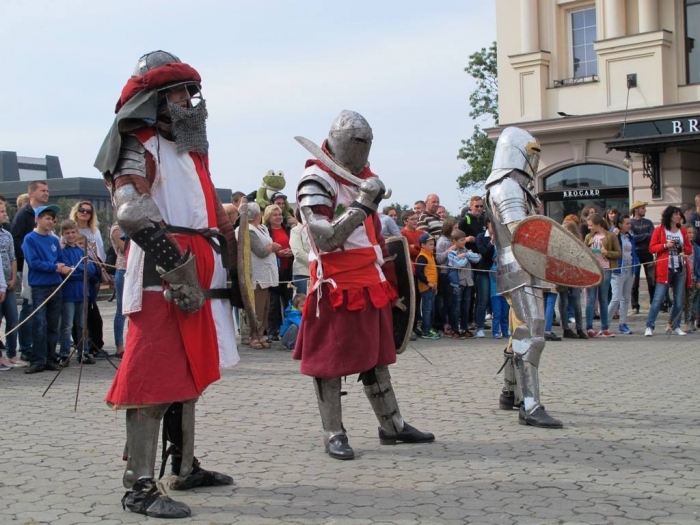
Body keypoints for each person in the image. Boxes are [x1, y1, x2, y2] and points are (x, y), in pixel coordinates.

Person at [93, 50, 237, 518]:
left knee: (188, 372)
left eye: (191, 93)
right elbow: (131, 212)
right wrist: (177, 272)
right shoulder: (140, 142)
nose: (188, 102)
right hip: (162, 273)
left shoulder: (190, 152)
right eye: (178, 92)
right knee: (153, 377)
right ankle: (138, 485)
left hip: (197, 269)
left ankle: (184, 465)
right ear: (155, 98)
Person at [294, 109, 434, 460]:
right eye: (357, 142)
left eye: (366, 143)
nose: (362, 150)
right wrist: (362, 203)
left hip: (371, 280)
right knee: (331, 362)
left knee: (375, 358)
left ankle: (393, 425)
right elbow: (325, 238)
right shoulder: (315, 180)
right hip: (335, 284)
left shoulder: (361, 178)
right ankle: (333, 432)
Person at [485, 127, 562, 428]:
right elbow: (522, 232)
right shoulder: (508, 188)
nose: (534, 160)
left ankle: (510, 391)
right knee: (533, 333)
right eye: (530, 153)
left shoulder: (513, 186)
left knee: (521, 332)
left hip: (521, 264)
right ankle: (530, 405)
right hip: (520, 264)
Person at [22, 205, 67, 374]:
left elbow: (60, 260)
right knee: (39, 323)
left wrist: (61, 267)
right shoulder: (30, 239)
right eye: (47, 218)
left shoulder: (54, 240)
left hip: (55, 285)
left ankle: (49, 358)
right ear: (38, 219)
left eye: (53, 220)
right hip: (39, 286)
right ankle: (37, 359)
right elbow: (33, 262)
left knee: (53, 324)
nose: (51, 222)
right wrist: (54, 267)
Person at [11, 180, 50, 363]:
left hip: (45, 271)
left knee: (40, 310)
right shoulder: (23, 214)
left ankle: (40, 346)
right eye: (42, 190)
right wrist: (26, 258)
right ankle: (25, 347)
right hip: (28, 268)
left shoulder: (45, 212)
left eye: (47, 190)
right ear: (31, 193)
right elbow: (16, 239)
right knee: (28, 307)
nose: (46, 193)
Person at [644, 206, 692, 337]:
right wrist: (665, 245)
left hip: (680, 268)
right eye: (676, 214)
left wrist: (683, 250)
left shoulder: (682, 231)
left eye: (679, 215)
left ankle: (675, 325)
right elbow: (652, 248)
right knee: (658, 298)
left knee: (679, 300)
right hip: (665, 268)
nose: (678, 217)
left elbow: (689, 248)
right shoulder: (660, 230)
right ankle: (649, 326)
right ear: (669, 216)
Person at [69, 201, 108, 357]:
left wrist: (103, 270)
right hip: (76, 274)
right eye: (82, 210)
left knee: (92, 311)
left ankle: (96, 345)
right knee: (77, 312)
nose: (85, 213)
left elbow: (100, 252)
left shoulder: (94, 231)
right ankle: (81, 345)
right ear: (76, 212)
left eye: (88, 211)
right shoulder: (70, 230)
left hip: (93, 273)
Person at [58, 223, 99, 365]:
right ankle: (64, 354)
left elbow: (91, 269)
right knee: (67, 326)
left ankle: (84, 352)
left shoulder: (82, 251)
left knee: (82, 325)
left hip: (83, 293)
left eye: (73, 232)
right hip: (68, 294)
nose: (70, 235)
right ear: (63, 234)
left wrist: (75, 269)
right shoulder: (61, 252)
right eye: (67, 233)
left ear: (76, 233)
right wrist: (80, 270)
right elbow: (66, 272)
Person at [245, 202, 280, 349]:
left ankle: (261, 334)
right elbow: (260, 251)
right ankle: (253, 335)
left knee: (265, 307)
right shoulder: (249, 230)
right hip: (257, 274)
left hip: (267, 274)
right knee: (257, 308)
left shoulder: (262, 228)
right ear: (257, 215)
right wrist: (272, 247)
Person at [583, 213, 620, 338]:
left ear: (598, 224)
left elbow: (618, 253)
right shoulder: (589, 237)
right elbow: (583, 252)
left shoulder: (611, 236)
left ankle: (605, 328)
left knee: (603, 299)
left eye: (591, 225)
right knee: (590, 300)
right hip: (592, 270)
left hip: (606, 269)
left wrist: (607, 252)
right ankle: (589, 328)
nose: (589, 228)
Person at [264, 204, 293, 341]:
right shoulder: (266, 231)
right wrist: (278, 253)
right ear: (269, 217)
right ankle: (272, 330)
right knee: (273, 302)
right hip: (274, 268)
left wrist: (290, 252)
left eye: (280, 214)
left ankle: (286, 329)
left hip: (288, 267)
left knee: (288, 300)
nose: (278, 217)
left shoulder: (287, 229)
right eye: (275, 215)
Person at [446, 229, 480, 338]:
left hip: (468, 282)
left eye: (464, 240)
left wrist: (466, 255)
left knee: (466, 306)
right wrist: (467, 256)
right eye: (461, 240)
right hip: (457, 284)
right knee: (456, 307)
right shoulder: (451, 253)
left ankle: (465, 328)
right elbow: (458, 264)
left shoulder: (465, 250)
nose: (464, 242)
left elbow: (476, 259)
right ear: (454, 241)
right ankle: (455, 329)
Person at [0, 200, 22, 367]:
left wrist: (14, 278)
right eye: (1, 212)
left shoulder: (6, 235)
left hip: (8, 283)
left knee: (13, 318)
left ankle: (12, 353)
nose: (4, 215)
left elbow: (12, 257)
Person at [608, 215, 637, 335]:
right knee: (616, 298)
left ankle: (622, 324)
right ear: (620, 224)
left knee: (626, 298)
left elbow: (633, 251)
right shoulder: (615, 234)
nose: (630, 225)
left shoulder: (630, 236)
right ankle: (606, 324)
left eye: (630, 223)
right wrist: (614, 232)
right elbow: (608, 240)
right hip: (618, 269)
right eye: (627, 223)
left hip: (630, 268)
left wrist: (636, 264)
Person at [558, 221, 587, 339]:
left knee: (574, 302)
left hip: (573, 275)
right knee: (566, 302)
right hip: (564, 274)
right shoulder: (560, 243)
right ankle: (568, 328)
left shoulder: (577, 243)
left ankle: (577, 328)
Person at [630, 200, 656, 314]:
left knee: (651, 279)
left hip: (648, 253)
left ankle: (654, 303)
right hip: (635, 254)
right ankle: (635, 305)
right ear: (636, 209)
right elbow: (633, 238)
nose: (645, 210)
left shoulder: (648, 222)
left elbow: (653, 236)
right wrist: (645, 236)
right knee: (634, 281)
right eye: (642, 208)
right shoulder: (630, 223)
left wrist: (643, 237)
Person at [109, 222, 127, 358]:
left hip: (137, 271)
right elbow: (125, 248)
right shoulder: (117, 229)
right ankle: (119, 347)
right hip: (123, 271)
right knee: (121, 310)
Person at [289, 210, 311, 295]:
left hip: (319, 273)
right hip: (303, 273)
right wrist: (316, 263)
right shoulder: (296, 230)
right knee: (304, 304)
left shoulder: (316, 229)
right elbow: (298, 253)